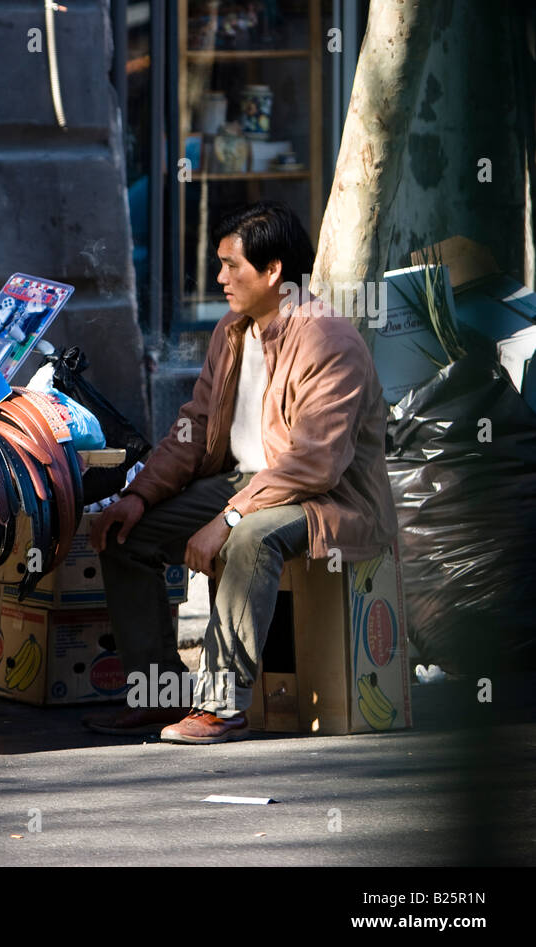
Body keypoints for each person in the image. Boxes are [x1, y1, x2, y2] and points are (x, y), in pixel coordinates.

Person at [83, 200, 398, 743]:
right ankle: (162, 693)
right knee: (123, 532)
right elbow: (195, 425)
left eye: (232, 265)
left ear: (273, 271)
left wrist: (228, 518)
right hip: (246, 485)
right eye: (220, 264)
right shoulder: (232, 331)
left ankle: (222, 706)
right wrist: (138, 495)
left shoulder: (327, 339)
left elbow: (313, 464)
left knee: (251, 537)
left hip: (327, 500)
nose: (220, 278)